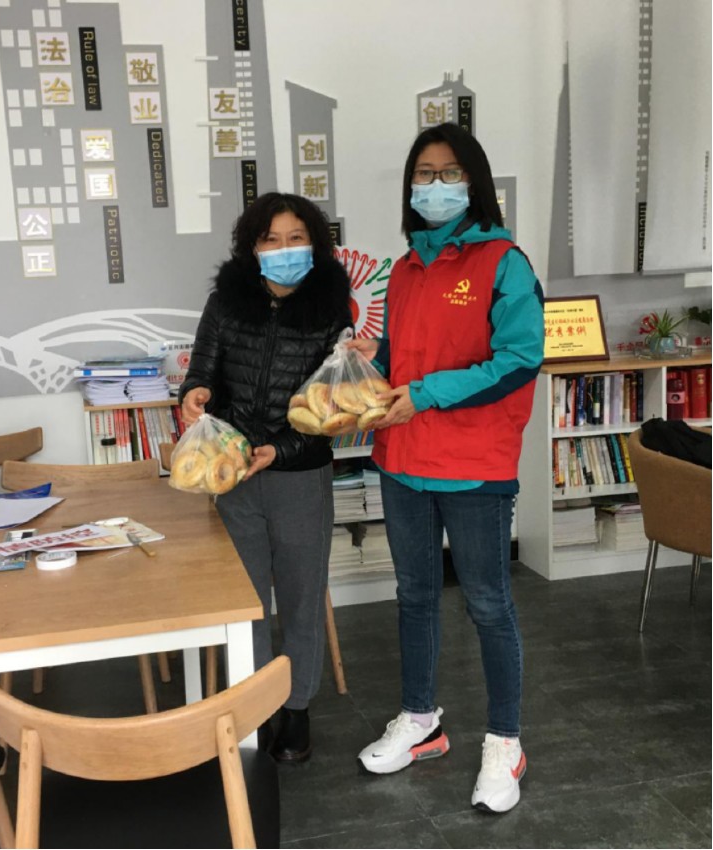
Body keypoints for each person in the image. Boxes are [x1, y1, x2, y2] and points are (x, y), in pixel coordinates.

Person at [352, 123, 544, 814]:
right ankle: (420, 720)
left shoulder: (504, 263)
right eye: (423, 174)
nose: (435, 186)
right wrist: (365, 371)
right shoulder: (404, 269)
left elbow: (518, 359)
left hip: (474, 467)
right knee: (414, 595)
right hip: (402, 461)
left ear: (474, 181)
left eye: (449, 173)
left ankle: (505, 741)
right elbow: (397, 357)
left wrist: (426, 394)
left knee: (488, 603)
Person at [179, 192, 352, 763]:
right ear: (251, 247)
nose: (283, 248)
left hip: (299, 473)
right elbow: (201, 372)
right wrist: (195, 394)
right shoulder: (226, 302)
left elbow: (332, 409)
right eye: (270, 239)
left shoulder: (331, 309)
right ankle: (254, 704)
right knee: (248, 601)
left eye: (295, 238)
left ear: (315, 244)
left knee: (302, 595)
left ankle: (296, 708)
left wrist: (279, 450)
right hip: (232, 473)